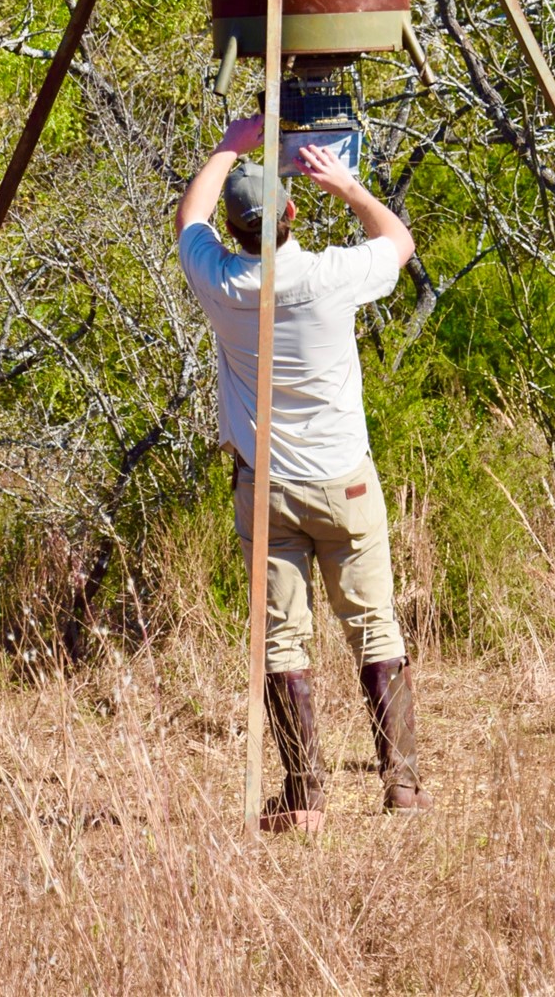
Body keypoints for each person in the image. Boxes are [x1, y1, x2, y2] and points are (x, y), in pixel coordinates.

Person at [174, 115, 429, 831]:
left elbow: (186, 216)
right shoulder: (329, 276)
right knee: (373, 624)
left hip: (267, 490)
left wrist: (230, 143)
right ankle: (401, 785)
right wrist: (346, 185)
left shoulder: (219, 281)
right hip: (345, 483)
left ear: (233, 229)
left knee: (284, 639)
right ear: (290, 213)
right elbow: (399, 244)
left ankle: (305, 795)